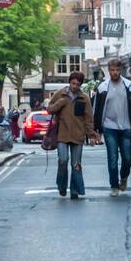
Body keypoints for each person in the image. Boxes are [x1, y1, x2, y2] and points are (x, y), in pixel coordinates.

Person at [93, 58, 131, 195]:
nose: (115, 72)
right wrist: (97, 130)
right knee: (112, 158)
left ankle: (124, 177)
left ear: (121, 70)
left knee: (127, 158)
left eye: (117, 70)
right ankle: (114, 186)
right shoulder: (102, 87)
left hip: (126, 127)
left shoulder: (130, 86)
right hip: (109, 128)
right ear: (108, 71)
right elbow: (96, 110)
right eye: (112, 70)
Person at [47, 70, 92, 199]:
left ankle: (75, 190)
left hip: (78, 135)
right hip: (62, 134)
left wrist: (92, 135)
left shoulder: (85, 98)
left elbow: (88, 118)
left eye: (78, 84)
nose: (75, 86)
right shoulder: (59, 94)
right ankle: (61, 186)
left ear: (81, 85)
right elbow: (49, 109)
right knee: (63, 160)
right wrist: (60, 103)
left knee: (76, 164)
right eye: (73, 83)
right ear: (69, 82)